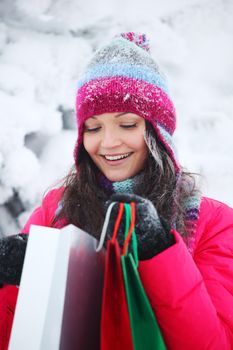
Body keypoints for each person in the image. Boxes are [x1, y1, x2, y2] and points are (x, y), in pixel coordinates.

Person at [0, 32, 233, 349]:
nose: (108, 143)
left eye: (127, 124)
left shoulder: (215, 223)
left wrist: (160, 251)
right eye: (93, 128)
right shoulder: (54, 214)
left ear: (158, 133)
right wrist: (11, 283)